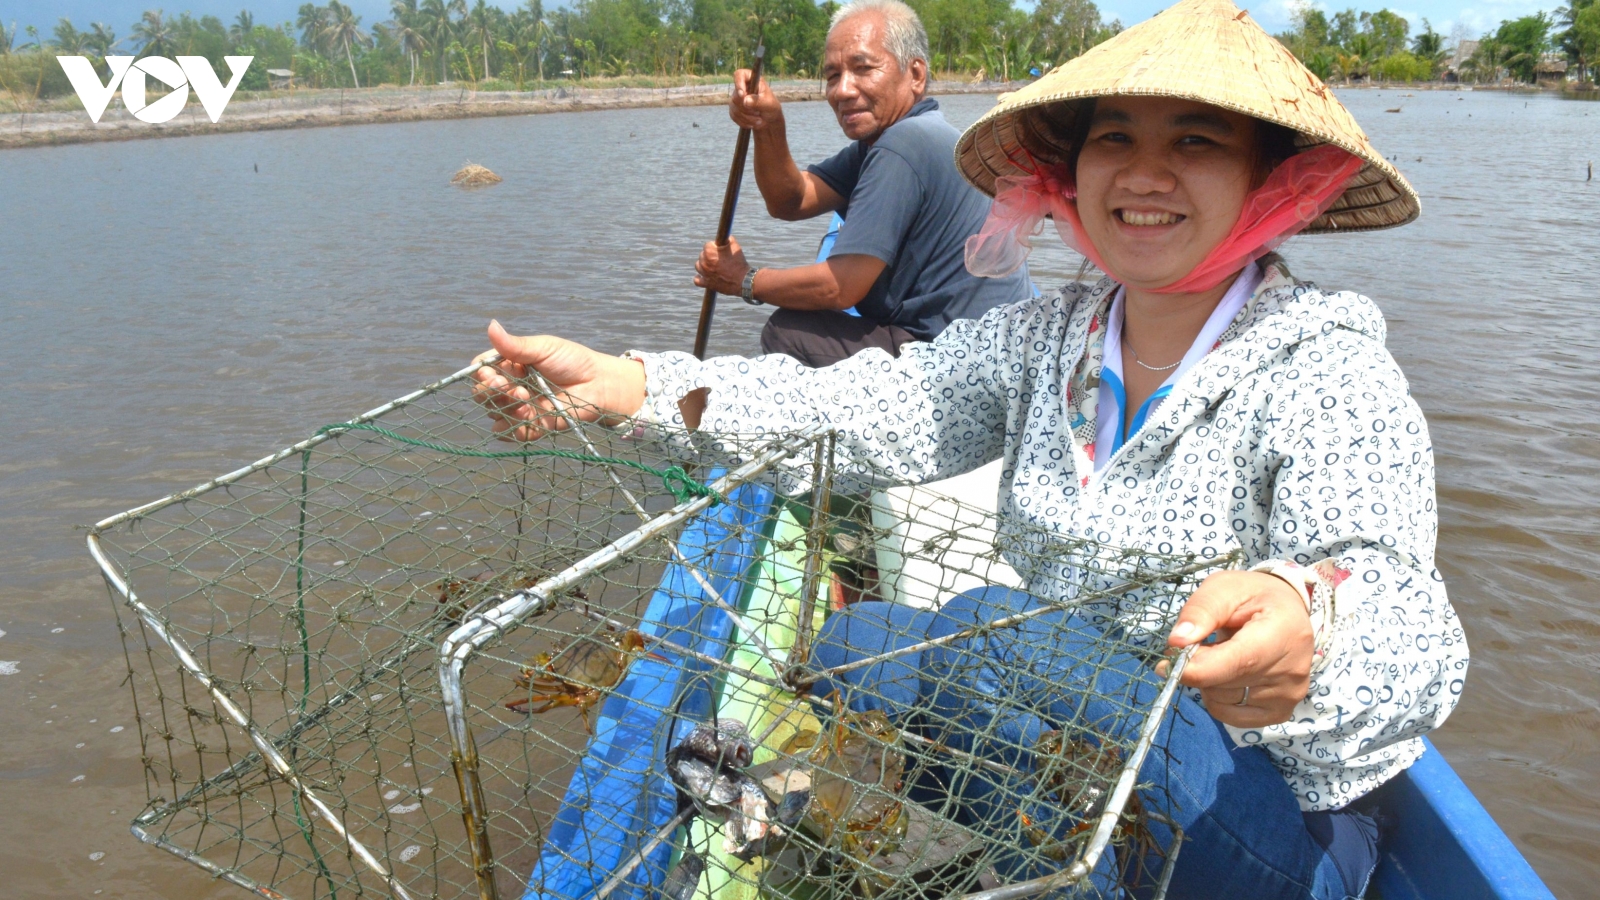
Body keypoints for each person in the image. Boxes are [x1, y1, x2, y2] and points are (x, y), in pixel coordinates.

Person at [472, 0, 1469, 896]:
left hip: (1260, 821)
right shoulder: (1045, 339)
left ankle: (1037, 880)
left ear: (1269, 179)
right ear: (1066, 176)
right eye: (1113, 136)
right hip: (1070, 723)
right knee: (845, 647)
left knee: (991, 632)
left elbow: (1409, 618)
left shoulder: (1321, 368)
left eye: (1197, 141)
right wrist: (630, 388)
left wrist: (1312, 623)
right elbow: (867, 408)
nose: (1146, 173)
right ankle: (1021, 844)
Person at [694, 0, 1032, 367]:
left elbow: (840, 287)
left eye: (862, 69)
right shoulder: (896, 138)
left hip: (961, 358)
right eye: (832, 75)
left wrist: (744, 280)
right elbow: (791, 200)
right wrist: (769, 124)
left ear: (915, 75)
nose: (842, 90)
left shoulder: (904, 144)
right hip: (989, 344)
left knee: (787, 331)